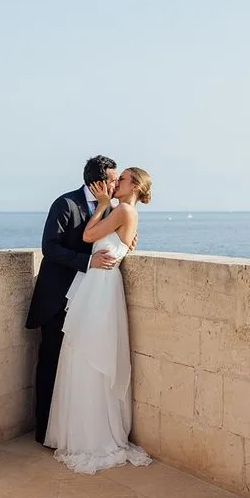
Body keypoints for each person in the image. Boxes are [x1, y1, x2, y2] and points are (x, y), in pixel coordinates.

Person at [43, 167, 153, 474]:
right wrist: (107, 209)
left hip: (102, 287)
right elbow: (93, 238)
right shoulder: (121, 211)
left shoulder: (123, 210)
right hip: (96, 284)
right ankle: (81, 430)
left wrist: (103, 205)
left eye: (123, 179)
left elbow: (89, 235)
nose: (116, 184)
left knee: (91, 352)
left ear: (135, 186)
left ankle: (94, 434)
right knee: (82, 353)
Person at [26, 155, 128, 445]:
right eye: (113, 180)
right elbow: (50, 248)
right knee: (51, 362)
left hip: (89, 299)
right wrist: (88, 262)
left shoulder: (111, 209)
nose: (116, 185)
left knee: (75, 368)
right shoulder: (65, 204)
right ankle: (45, 432)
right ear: (98, 182)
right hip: (58, 298)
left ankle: (71, 431)